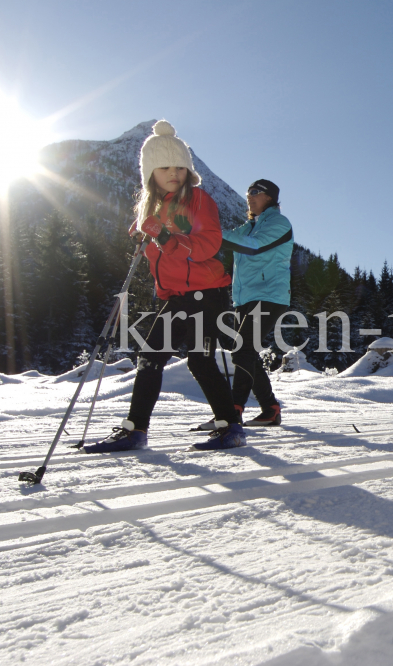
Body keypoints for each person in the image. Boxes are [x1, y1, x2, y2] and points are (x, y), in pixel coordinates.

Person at [84, 121, 246, 452]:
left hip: (205, 295)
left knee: (199, 361)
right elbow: (163, 263)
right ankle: (136, 430)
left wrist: (164, 236)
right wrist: (149, 243)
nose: (173, 172)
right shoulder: (154, 209)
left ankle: (231, 428)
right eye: (164, 167)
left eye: (179, 166)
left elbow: (207, 245)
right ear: (150, 173)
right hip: (175, 298)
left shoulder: (198, 200)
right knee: (151, 355)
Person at [197, 179, 293, 428]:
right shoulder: (249, 226)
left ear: (269, 197)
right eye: (248, 192)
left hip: (269, 296)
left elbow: (254, 247)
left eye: (255, 192)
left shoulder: (279, 224)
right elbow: (221, 238)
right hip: (245, 298)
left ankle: (231, 412)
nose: (249, 196)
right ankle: (270, 409)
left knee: (243, 351)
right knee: (246, 353)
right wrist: (194, 231)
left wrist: (214, 236)